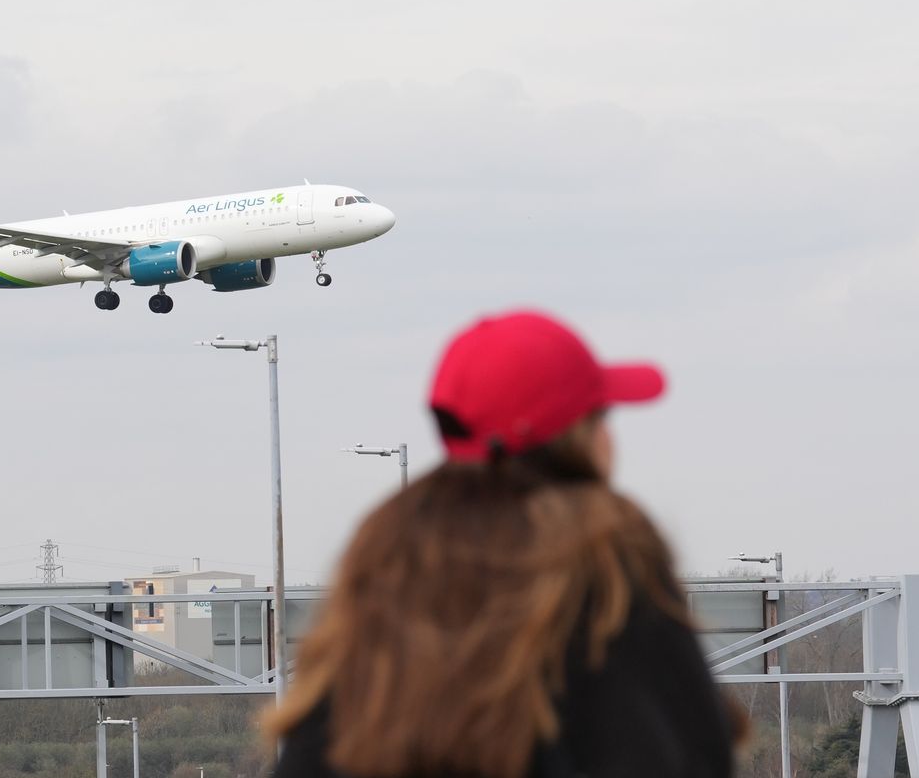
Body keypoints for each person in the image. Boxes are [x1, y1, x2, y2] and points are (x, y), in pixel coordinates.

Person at [269, 311, 741, 778]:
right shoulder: (605, 564)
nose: (609, 439)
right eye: (599, 416)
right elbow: (692, 750)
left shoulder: (382, 575)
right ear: (574, 439)